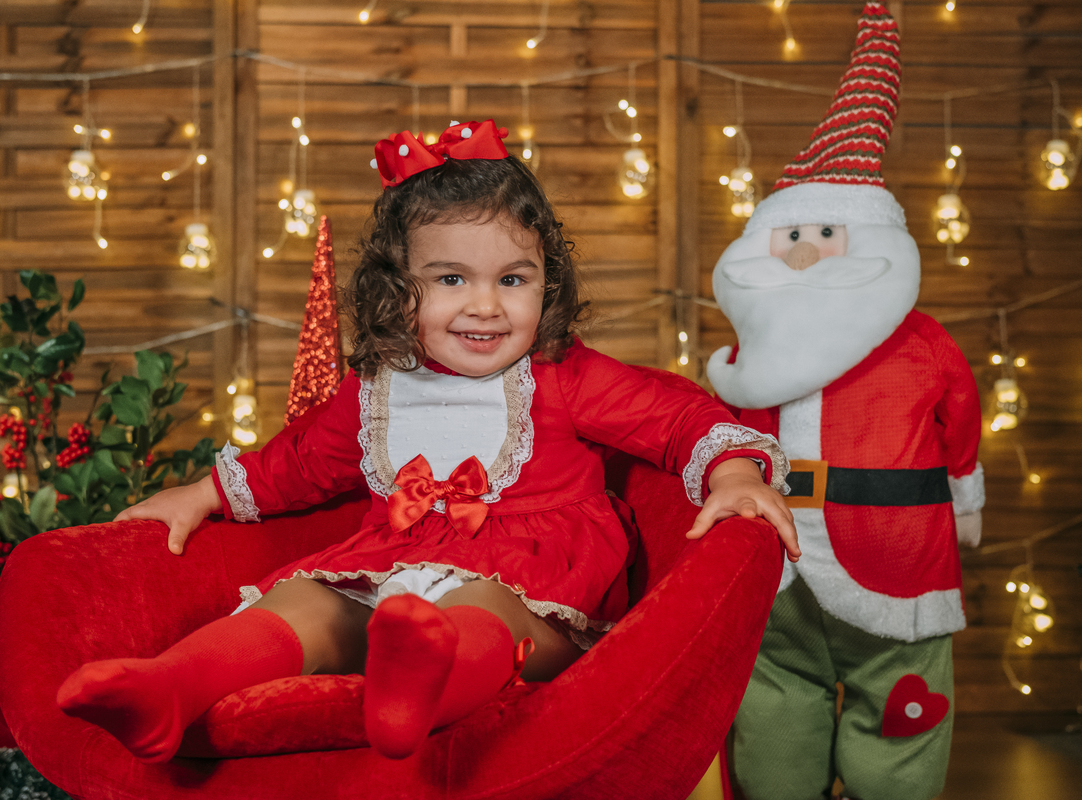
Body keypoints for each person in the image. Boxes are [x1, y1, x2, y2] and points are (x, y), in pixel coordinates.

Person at [56, 119, 798, 765]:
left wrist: (734, 471)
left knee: (476, 607)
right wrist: (202, 492)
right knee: (304, 600)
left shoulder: (560, 376)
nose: (485, 305)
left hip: (532, 593)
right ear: (395, 288)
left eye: (513, 278)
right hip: (386, 576)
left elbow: (677, 417)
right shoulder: (379, 388)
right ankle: (173, 687)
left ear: (548, 282)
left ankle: (417, 692)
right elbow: (297, 464)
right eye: (450, 277)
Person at [708, 6, 983, 799]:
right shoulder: (744, 353)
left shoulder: (923, 342)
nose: (800, 251)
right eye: (788, 235)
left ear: (868, 242)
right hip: (776, 569)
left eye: (824, 233)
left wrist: (963, 501)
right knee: (772, 714)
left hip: (899, 559)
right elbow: (721, 435)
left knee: (902, 717)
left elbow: (957, 421)